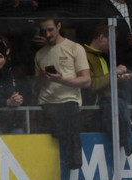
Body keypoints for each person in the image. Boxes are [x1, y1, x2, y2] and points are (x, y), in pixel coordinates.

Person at [34, 16, 91, 170]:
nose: (47, 34)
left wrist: (61, 79)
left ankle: (73, 161)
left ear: (59, 26)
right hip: (45, 104)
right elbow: (37, 85)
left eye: (50, 30)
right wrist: (42, 79)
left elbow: (86, 80)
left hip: (68, 103)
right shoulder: (40, 54)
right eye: (44, 31)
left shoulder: (75, 48)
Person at [84, 23, 132, 158]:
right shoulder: (84, 56)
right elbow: (92, 85)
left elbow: (105, 84)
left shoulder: (101, 58)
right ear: (102, 37)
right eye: (111, 41)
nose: (112, 46)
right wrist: (114, 73)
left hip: (105, 111)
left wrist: (121, 78)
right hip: (93, 113)